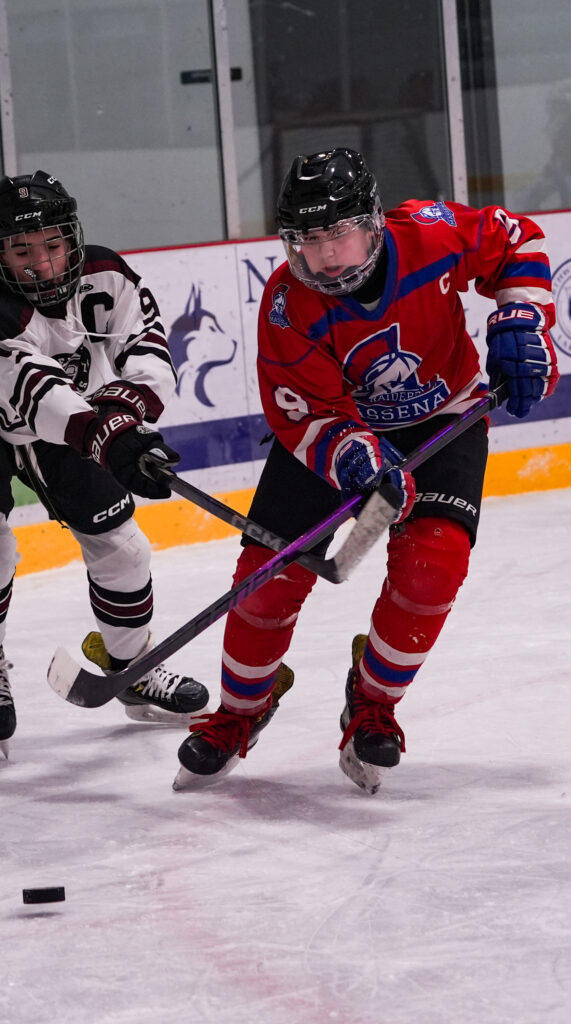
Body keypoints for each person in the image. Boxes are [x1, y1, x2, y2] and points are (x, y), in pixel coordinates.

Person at [174, 147, 558, 793]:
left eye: (339, 234)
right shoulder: (286, 306)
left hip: (444, 418)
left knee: (433, 567)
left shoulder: (430, 233)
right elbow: (304, 414)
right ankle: (240, 713)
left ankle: (371, 703)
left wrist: (522, 316)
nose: (325, 256)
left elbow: (513, 240)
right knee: (265, 582)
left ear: (373, 222)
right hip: (337, 432)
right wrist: (354, 455)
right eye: (308, 240)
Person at [0, 170, 209, 754]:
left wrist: (124, 416)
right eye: (21, 250)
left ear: (73, 239)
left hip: (67, 421)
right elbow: (43, 400)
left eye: (51, 245)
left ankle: (133, 668)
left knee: (121, 545)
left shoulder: (107, 274)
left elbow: (147, 349)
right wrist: (113, 438)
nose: (40, 264)